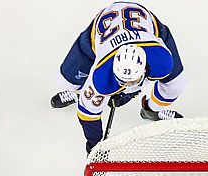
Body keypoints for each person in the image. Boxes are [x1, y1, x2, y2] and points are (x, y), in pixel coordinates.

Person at [50, 2, 186, 152]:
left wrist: (130, 93)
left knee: (176, 85)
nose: (128, 84)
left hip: (148, 26)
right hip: (101, 29)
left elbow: (146, 80)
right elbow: (88, 114)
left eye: (132, 80)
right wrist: (95, 147)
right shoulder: (101, 74)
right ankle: (78, 93)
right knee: (66, 81)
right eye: (123, 80)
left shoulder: (161, 60)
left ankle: (151, 110)